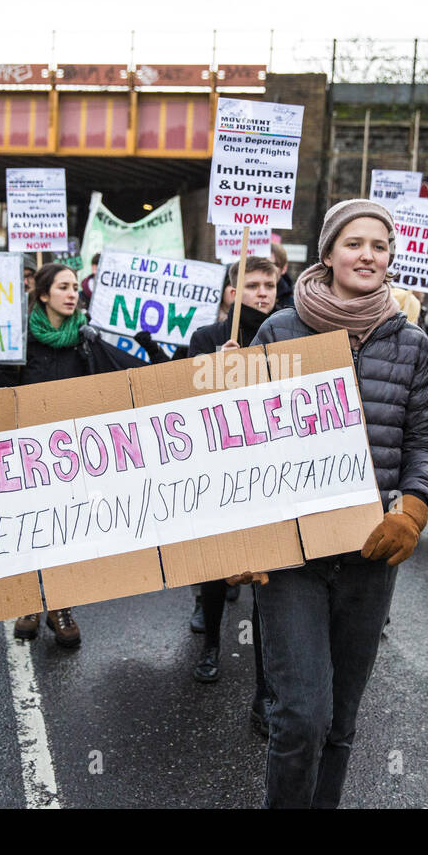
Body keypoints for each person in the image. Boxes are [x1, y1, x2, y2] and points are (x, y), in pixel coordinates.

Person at [247, 199, 428, 807]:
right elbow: (241, 445)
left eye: (379, 246)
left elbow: (426, 441)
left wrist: (413, 508)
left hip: (368, 557)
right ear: (328, 253)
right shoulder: (278, 330)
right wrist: (236, 536)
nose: (368, 255)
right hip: (290, 557)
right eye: (354, 243)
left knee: (340, 723)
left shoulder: (412, 343)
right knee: (301, 715)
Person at [0, 262, 145, 648]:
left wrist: (101, 348)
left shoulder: (85, 339)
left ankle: (61, 607)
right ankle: (29, 603)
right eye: (63, 287)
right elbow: (2, 389)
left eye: (75, 286)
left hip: (72, 454)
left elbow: (119, 381)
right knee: (29, 527)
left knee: (67, 531)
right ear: (43, 294)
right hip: (26, 451)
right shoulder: (19, 340)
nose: (72, 293)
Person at [184, 254, 277, 736]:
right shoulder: (206, 338)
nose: (261, 292)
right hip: (219, 471)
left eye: (269, 283)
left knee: (267, 581)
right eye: (252, 285)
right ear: (231, 292)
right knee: (218, 569)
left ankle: (265, 688)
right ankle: (211, 646)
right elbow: (182, 400)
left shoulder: (287, 333)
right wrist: (216, 370)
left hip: (267, 475)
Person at [270, 241, 295, 309]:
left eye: (270, 265)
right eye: (260, 264)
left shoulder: (294, 305)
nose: (264, 269)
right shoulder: (243, 298)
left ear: (284, 268)